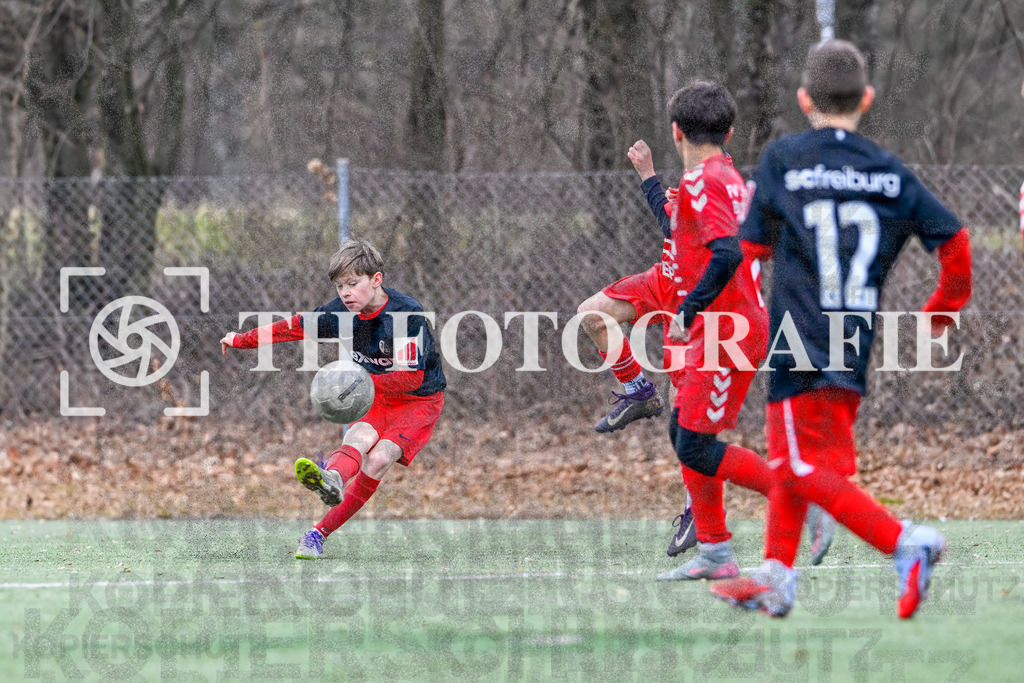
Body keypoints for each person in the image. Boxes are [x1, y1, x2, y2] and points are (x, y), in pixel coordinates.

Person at [711, 40, 972, 618]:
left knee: (795, 466)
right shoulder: (888, 171)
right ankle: (777, 578)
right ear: (868, 100)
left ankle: (906, 542)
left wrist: (726, 317)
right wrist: (944, 306)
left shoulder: (783, 158)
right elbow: (954, 239)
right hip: (853, 338)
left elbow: (748, 249)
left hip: (798, 334)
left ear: (804, 100)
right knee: (801, 460)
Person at [221, 240, 446, 559]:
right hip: (375, 394)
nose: (345, 293)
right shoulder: (341, 312)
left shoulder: (405, 313)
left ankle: (318, 532)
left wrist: (361, 380)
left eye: (353, 283)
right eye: (340, 286)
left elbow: (413, 377)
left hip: (418, 399)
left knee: (379, 458)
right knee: (359, 437)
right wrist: (244, 340)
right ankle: (332, 479)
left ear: (376, 280)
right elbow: (295, 327)